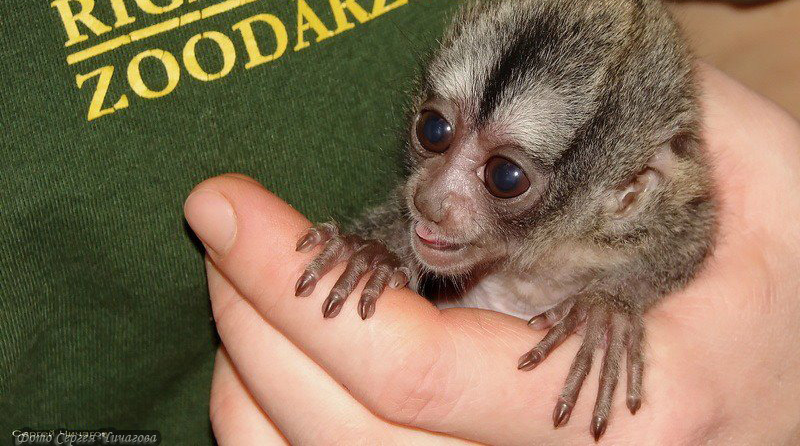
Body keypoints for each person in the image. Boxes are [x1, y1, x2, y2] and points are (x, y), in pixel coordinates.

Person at [186, 63, 800, 444]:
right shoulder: (433, 214)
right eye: (436, 130)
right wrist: (375, 255)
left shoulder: (658, 237)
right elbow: (399, 227)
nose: (428, 195)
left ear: (628, 193)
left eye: (506, 176)